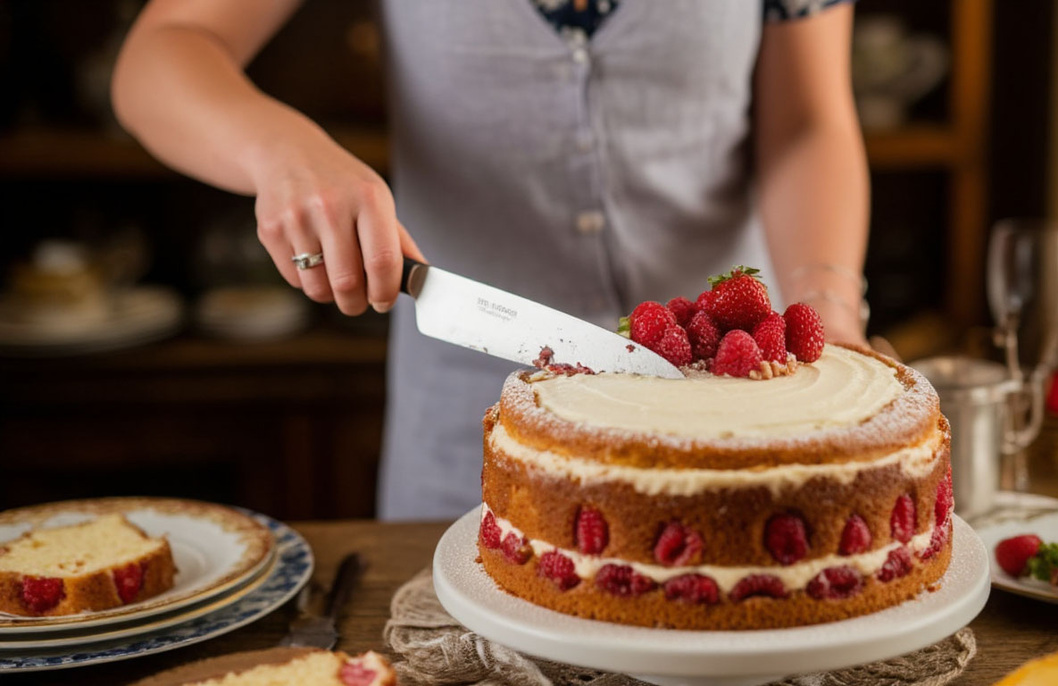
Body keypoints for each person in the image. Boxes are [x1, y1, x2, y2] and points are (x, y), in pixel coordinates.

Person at [112, 0, 870, 520]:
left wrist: (828, 304)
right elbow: (165, 46)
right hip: (466, 441)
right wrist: (284, 154)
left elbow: (807, 121)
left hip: (741, 422)